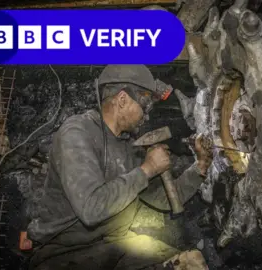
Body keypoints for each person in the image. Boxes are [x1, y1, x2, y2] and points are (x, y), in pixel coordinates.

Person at [27, 65, 213, 270]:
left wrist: (200, 167)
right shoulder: (77, 133)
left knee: (191, 263)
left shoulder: (128, 146)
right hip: (65, 253)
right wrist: (148, 168)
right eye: (145, 105)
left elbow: (162, 198)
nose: (147, 115)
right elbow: (91, 208)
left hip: (114, 246)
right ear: (122, 99)